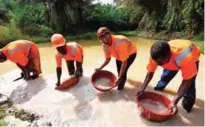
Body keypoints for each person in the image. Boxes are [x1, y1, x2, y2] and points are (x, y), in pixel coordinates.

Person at [137, 39, 201, 113]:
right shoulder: (155, 56)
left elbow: (187, 82)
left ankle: (188, 106)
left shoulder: (186, 58)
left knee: (189, 95)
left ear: (169, 55)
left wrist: (174, 102)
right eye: (157, 62)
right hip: (174, 57)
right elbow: (150, 73)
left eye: (160, 63)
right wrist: (142, 88)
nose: (158, 64)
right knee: (165, 77)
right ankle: (158, 89)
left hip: (191, 55)